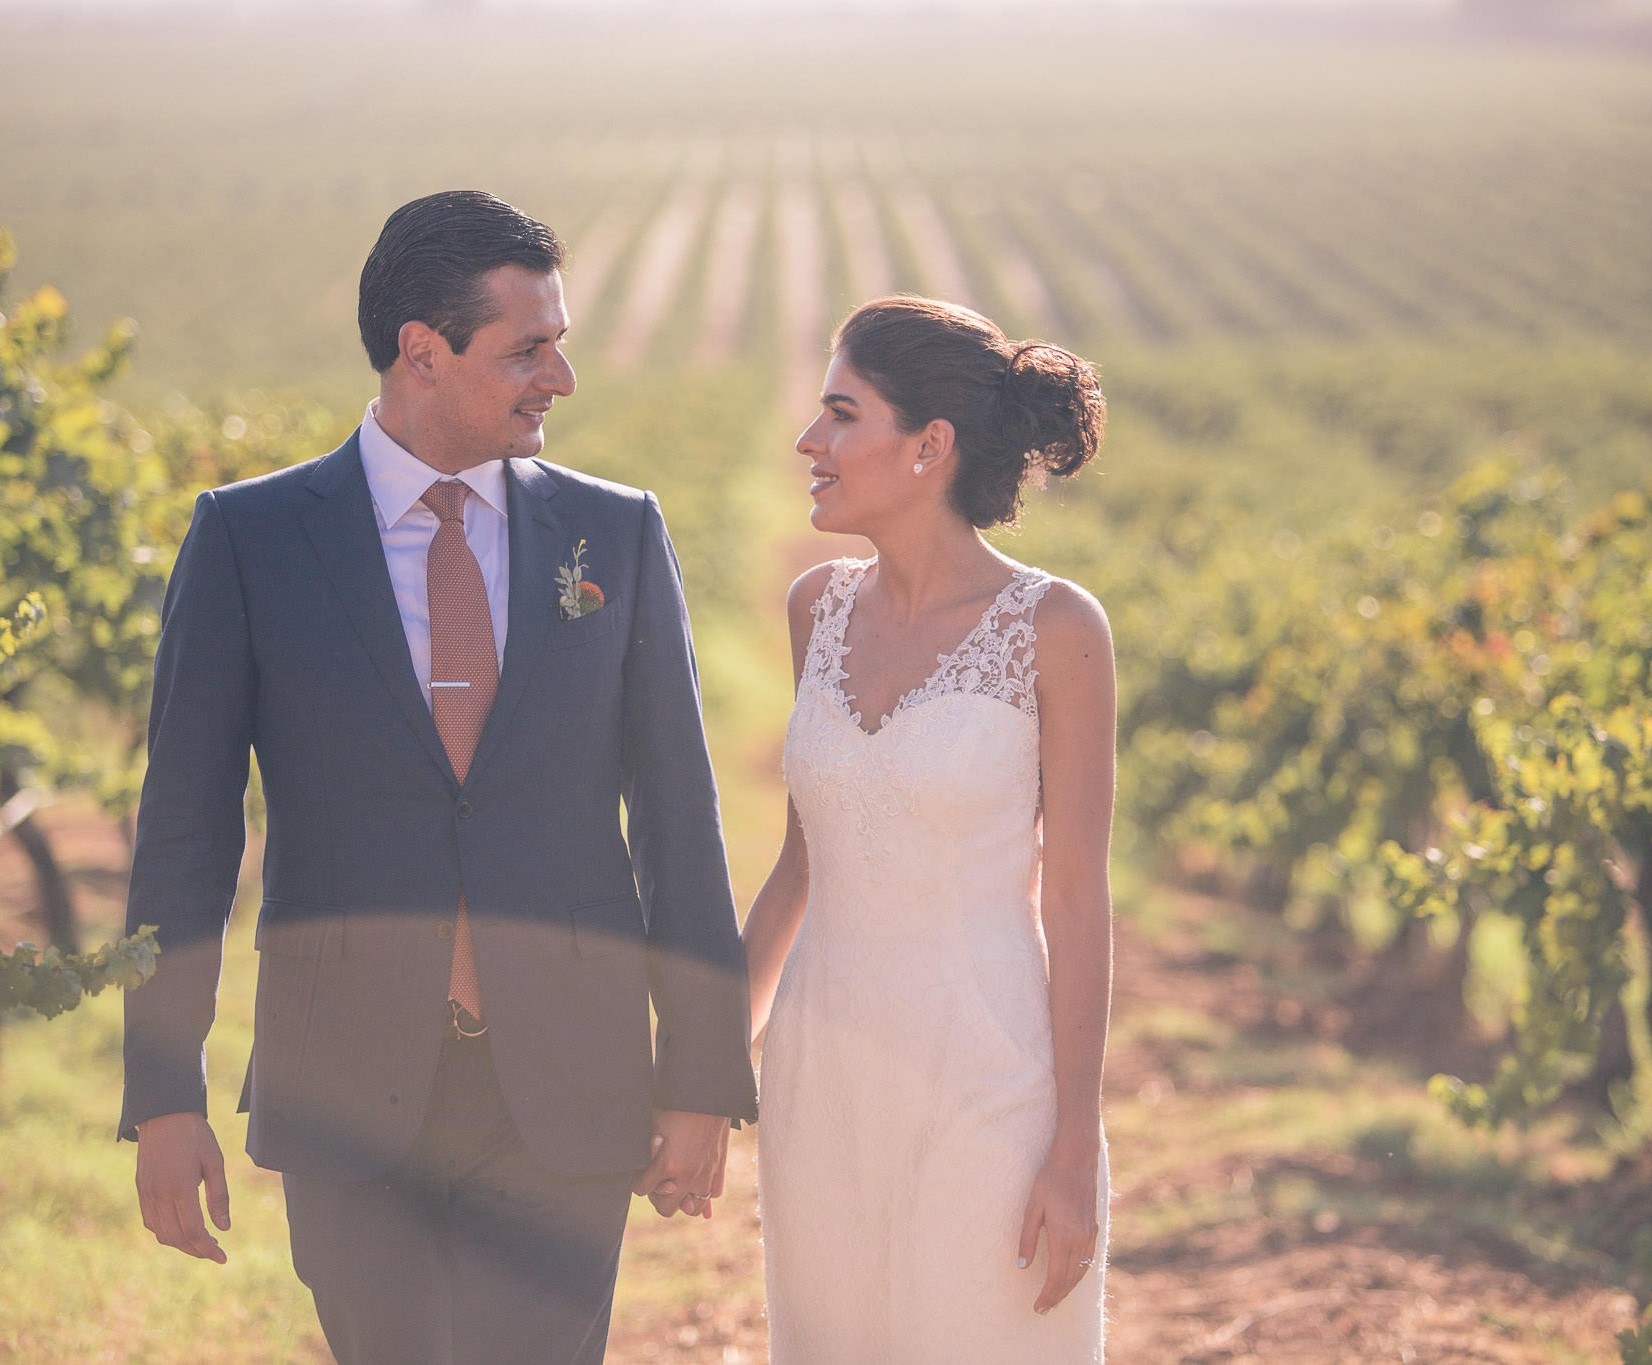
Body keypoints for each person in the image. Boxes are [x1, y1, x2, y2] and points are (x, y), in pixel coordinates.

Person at [119, 190, 757, 1365]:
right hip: (344, 1092)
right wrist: (164, 1096)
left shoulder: (611, 536)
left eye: (557, 345)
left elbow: (679, 821)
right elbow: (183, 840)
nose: (558, 378)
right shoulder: (249, 540)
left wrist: (702, 1079)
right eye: (529, 348)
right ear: (423, 352)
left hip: (568, 1087)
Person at [744, 295, 1116, 1362]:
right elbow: (797, 869)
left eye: (840, 414)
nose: (809, 442)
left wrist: (1073, 1147)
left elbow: (1078, 898)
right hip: (821, 1071)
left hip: (986, 1075)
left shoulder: (1054, 628)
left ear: (929, 447)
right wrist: (711, 1057)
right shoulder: (814, 605)